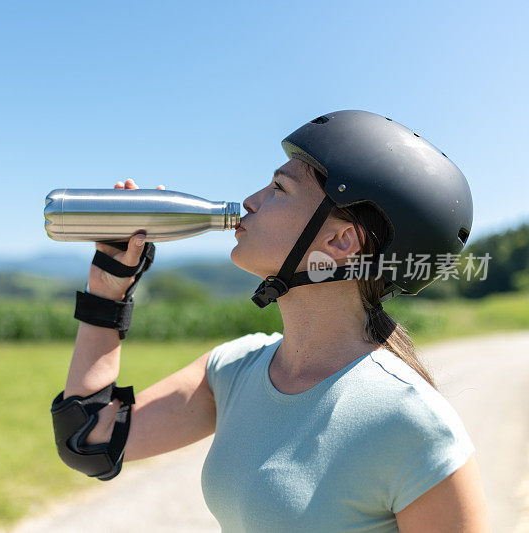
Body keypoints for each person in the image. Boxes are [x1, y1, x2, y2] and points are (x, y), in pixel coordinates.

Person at [52, 110, 490, 531]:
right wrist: (109, 291)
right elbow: (89, 438)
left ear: (341, 241)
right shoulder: (234, 370)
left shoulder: (409, 420)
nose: (250, 201)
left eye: (279, 188)